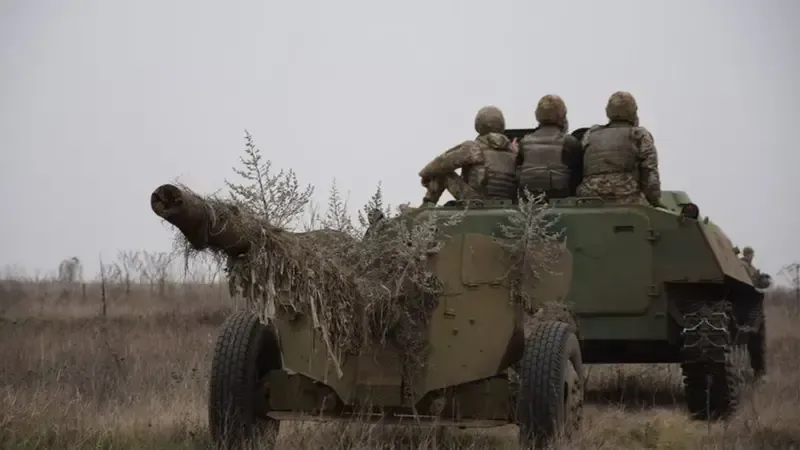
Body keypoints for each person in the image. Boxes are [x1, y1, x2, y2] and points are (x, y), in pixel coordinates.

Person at [577, 91, 663, 207]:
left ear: (608, 111)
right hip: (628, 199)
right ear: (633, 111)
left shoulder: (590, 134)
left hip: (590, 199)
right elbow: (650, 174)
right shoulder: (639, 134)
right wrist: (654, 201)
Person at [418, 106, 517, 206]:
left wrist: (425, 175)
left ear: (478, 124)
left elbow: (438, 164)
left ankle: (426, 206)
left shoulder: (472, 148)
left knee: (442, 171)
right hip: (509, 202)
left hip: (477, 202)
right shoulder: (514, 150)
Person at [516, 94, 583, 199]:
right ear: (562, 114)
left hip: (528, 199)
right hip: (559, 198)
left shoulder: (524, 142)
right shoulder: (569, 142)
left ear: (537, 115)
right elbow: (578, 175)